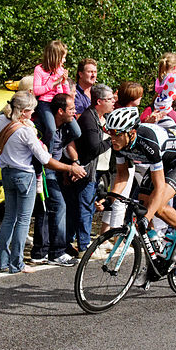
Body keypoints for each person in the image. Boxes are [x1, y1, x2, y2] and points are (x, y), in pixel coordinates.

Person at [102, 107, 176, 286]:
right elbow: (122, 175)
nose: (113, 138)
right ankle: (156, 258)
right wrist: (111, 199)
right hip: (160, 164)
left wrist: (148, 216)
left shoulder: (148, 141)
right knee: (142, 206)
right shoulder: (120, 143)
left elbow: (158, 188)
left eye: (117, 134)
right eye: (110, 133)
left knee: (158, 207)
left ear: (131, 132)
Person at [0, 92, 86, 273]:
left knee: (8, 218)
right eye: (31, 111)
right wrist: (70, 168)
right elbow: (46, 159)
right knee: (23, 220)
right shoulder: (26, 130)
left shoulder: (1, 121)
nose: (33, 114)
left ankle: (3, 261)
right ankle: (17, 263)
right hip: (25, 175)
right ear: (23, 111)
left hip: (6, 172)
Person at [30, 93, 80, 267]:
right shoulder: (43, 127)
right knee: (59, 206)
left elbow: (77, 133)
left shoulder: (65, 128)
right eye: (71, 109)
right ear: (59, 111)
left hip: (57, 171)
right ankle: (57, 252)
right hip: (45, 171)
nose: (75, 112)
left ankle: (40, 251)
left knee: (45, 211)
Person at [66, 84, 114, 255]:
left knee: (89, 207)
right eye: (109, 99)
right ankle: (84, 247)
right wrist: (113, 138)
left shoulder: (105, 118)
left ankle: (71, 242)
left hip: (100, 169)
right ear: (99, 101)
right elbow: (95, 148)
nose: (113, 102)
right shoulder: (89, 118)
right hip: (87, 170)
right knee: (84, 207)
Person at [34, 41, 81, 143]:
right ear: (56, 57)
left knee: (77, 132)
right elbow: (37, 90)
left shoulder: (60, 70)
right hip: (45, 103)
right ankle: (47, 152)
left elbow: (65, 92)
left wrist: (64, 83)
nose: (64, 60)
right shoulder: (39, 69)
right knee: (51, 129)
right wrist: (55, 83)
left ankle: (60, 145)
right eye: (63, 58)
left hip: (59, 103)